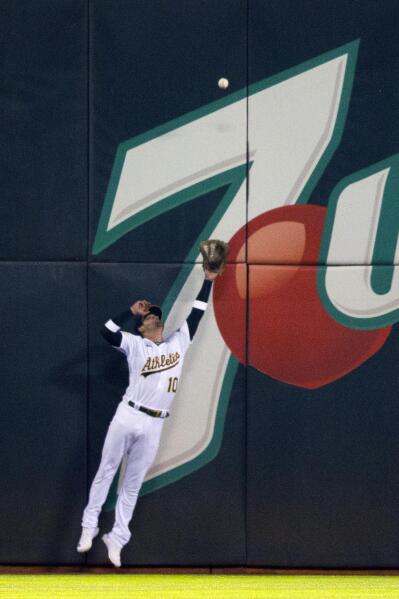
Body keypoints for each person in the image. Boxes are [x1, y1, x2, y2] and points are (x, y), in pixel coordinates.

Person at [77, 269, 218, 567]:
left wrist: (208, 281)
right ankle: (89, 527)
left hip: (155, 423)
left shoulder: (179, 342)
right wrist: (130, 312)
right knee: (107, 470)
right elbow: (106, 331)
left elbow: (198, 312)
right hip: (128, 413)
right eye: (148, 316)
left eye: (155, 314)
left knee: (132, 483)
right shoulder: (134, 343)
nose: (152, 316)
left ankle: (116, 540)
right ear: (141, 327)